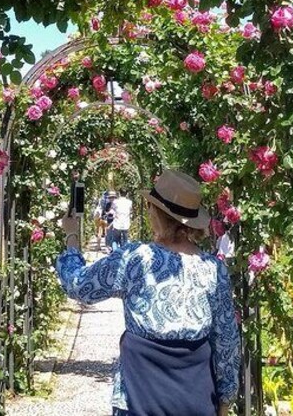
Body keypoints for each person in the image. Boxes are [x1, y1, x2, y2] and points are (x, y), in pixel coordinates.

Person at [57, 170, 240, 416]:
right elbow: (226, 339)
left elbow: (79, 285)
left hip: (139, 394)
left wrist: (71, 237)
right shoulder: (213, 268)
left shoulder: (136, 259)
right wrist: (226, 399)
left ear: (156, 213)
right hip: (195, 398)